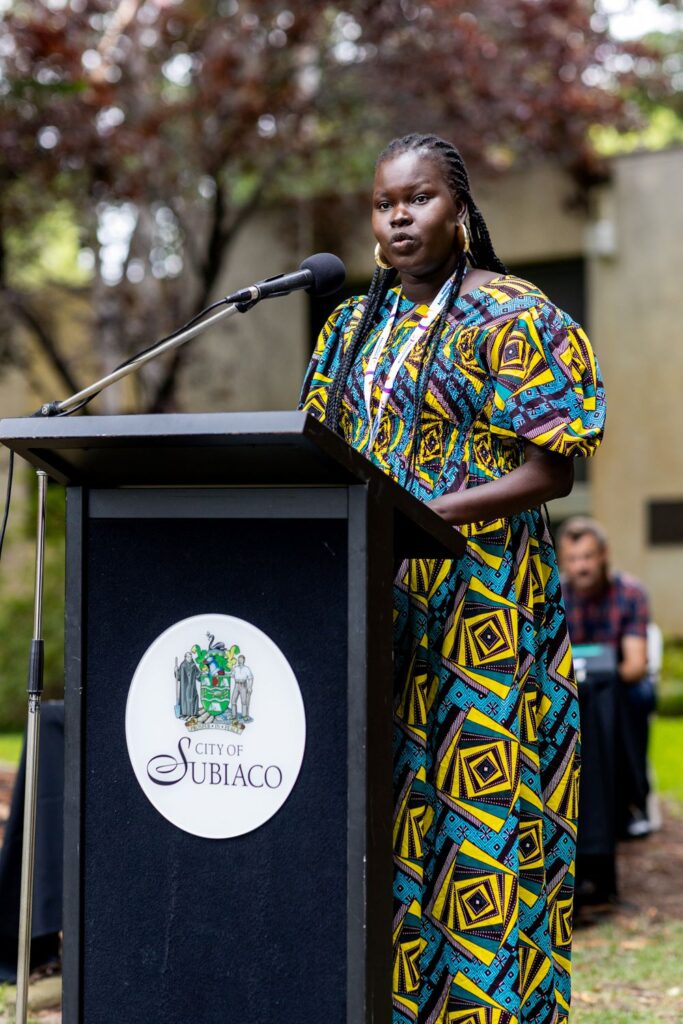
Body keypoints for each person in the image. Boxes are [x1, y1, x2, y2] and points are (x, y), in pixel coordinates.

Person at [299, 133, 605, 1024]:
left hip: (484, 606)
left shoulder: (511, 314)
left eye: (418, 198)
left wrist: (425, 512)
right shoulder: (352, 328)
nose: (397, 215)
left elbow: (552, 470)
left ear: (460, 212)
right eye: (384, 202)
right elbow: (319, 448)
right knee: (389, 811)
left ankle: (493, 1007)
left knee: (479, 814)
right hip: (379, 602)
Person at [557, 516, 654, 837]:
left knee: (635, 695)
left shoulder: (629, 593)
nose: (581, 566)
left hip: (617, 686)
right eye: (572, 558)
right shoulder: (554, 594)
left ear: (604, 554)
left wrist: (600, 680)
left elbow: (636, 664)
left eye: (587, 556)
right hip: (567, 688)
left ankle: (632, 800)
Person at [174, 651, 200, 719]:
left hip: (192, 686)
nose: (190, 658)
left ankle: (194, 713)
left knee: (194, 697)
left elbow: (198, 675)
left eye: (191, 657)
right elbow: (178, 677)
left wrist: (203, 675)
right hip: (185, 687)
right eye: (189, 657)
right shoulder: (183, 665)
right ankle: (185, 713)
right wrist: (175, 671)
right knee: (185, 699)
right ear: (185, 657)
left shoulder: (193, 665)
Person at [230, 654, 254, 721]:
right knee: (233, 700)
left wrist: (249, 687)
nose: (240, 660)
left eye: (241, 659)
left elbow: (251, 678)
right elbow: (232, 676)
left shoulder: (246, 669)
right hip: (236, 685)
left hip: (243, 685)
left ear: (244, 660)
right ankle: (233, 715)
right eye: (239, 659)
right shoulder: (235, 668)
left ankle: (244, 715)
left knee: (244, 701)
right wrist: (232, 670)